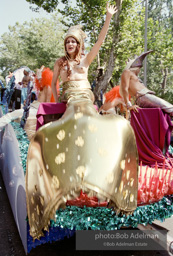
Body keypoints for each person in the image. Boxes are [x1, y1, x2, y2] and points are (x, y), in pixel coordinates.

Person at [26, 3, 139, 240]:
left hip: (87, 104)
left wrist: (108, 17)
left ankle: (103, 185)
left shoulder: (85, 62)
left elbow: (100, 40)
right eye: (67, 41)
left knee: (117, 127)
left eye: (74, 42)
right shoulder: (59, 64)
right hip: (70, 106)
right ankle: (61, 189)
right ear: (64, 45)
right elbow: (55, 88)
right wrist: (61, 102)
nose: (70, 45)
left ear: (79, 45)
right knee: (42, 137)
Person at [120, 50, 173, 116]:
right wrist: (129, 106)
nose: (139, 70)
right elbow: (125, 88)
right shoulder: (127, 72)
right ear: (135, 67)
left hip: (143, 97)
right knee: (170, 108)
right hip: (143, 96)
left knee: (165, 112)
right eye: (139, 68)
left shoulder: (133, 76)